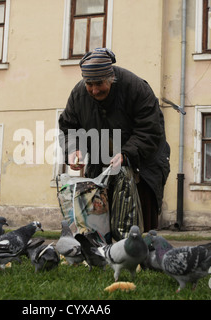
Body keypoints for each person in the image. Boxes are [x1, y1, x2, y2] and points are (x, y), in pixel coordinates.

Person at [58, 48, 170, 235]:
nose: (94, 90)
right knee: (99, 217)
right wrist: (73, 149)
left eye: (99, 84)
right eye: (89, 84)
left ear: (111, 78)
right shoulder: (79, 95)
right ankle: (103, 254)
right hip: (100, 162)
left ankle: (140, 256)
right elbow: (69, 127)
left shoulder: (136, 88)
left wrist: (126, 154)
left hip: (143, 164)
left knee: (138, 223)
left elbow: (150, 130)